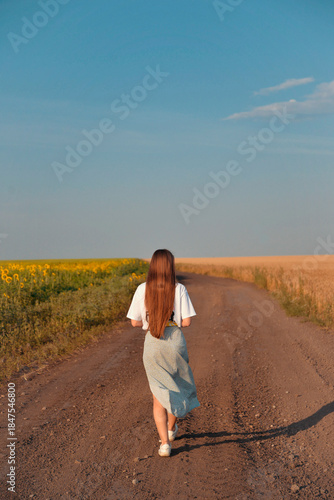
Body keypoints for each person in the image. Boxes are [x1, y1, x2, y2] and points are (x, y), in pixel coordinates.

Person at [126, 249, 200, 457]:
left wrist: (150, 321)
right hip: (175, 342)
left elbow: (134, 322)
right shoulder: (179, 289)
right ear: (170, 266)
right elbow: (186, 321)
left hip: (153, 342)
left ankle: (165, 444)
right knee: (176, 387)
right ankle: (170, 429)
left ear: (152, 266)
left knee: (158, 394)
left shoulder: (142, 289)